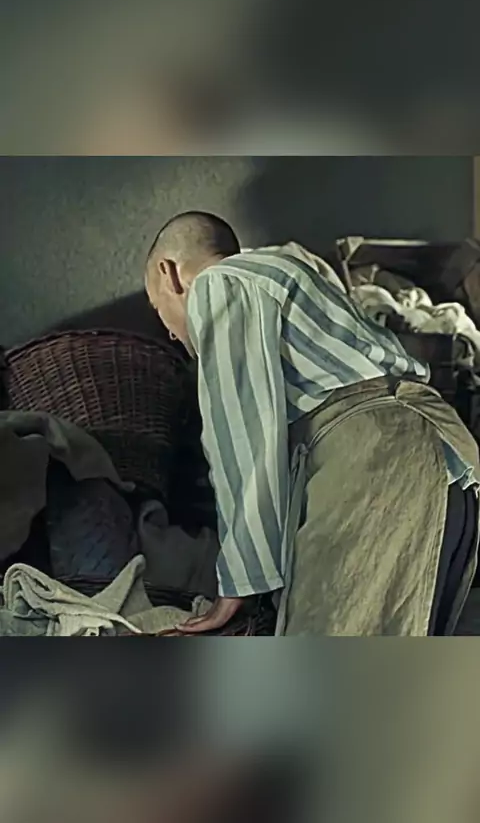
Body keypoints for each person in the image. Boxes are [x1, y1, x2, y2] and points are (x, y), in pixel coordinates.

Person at [145, 210, 480, 635]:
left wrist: (238, 582)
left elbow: (242, 435)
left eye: (158, 309)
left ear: (170, 273)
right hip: (448, 455)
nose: (172, 334)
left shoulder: (219, 282)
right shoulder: (294, 271)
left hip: (377, 457)